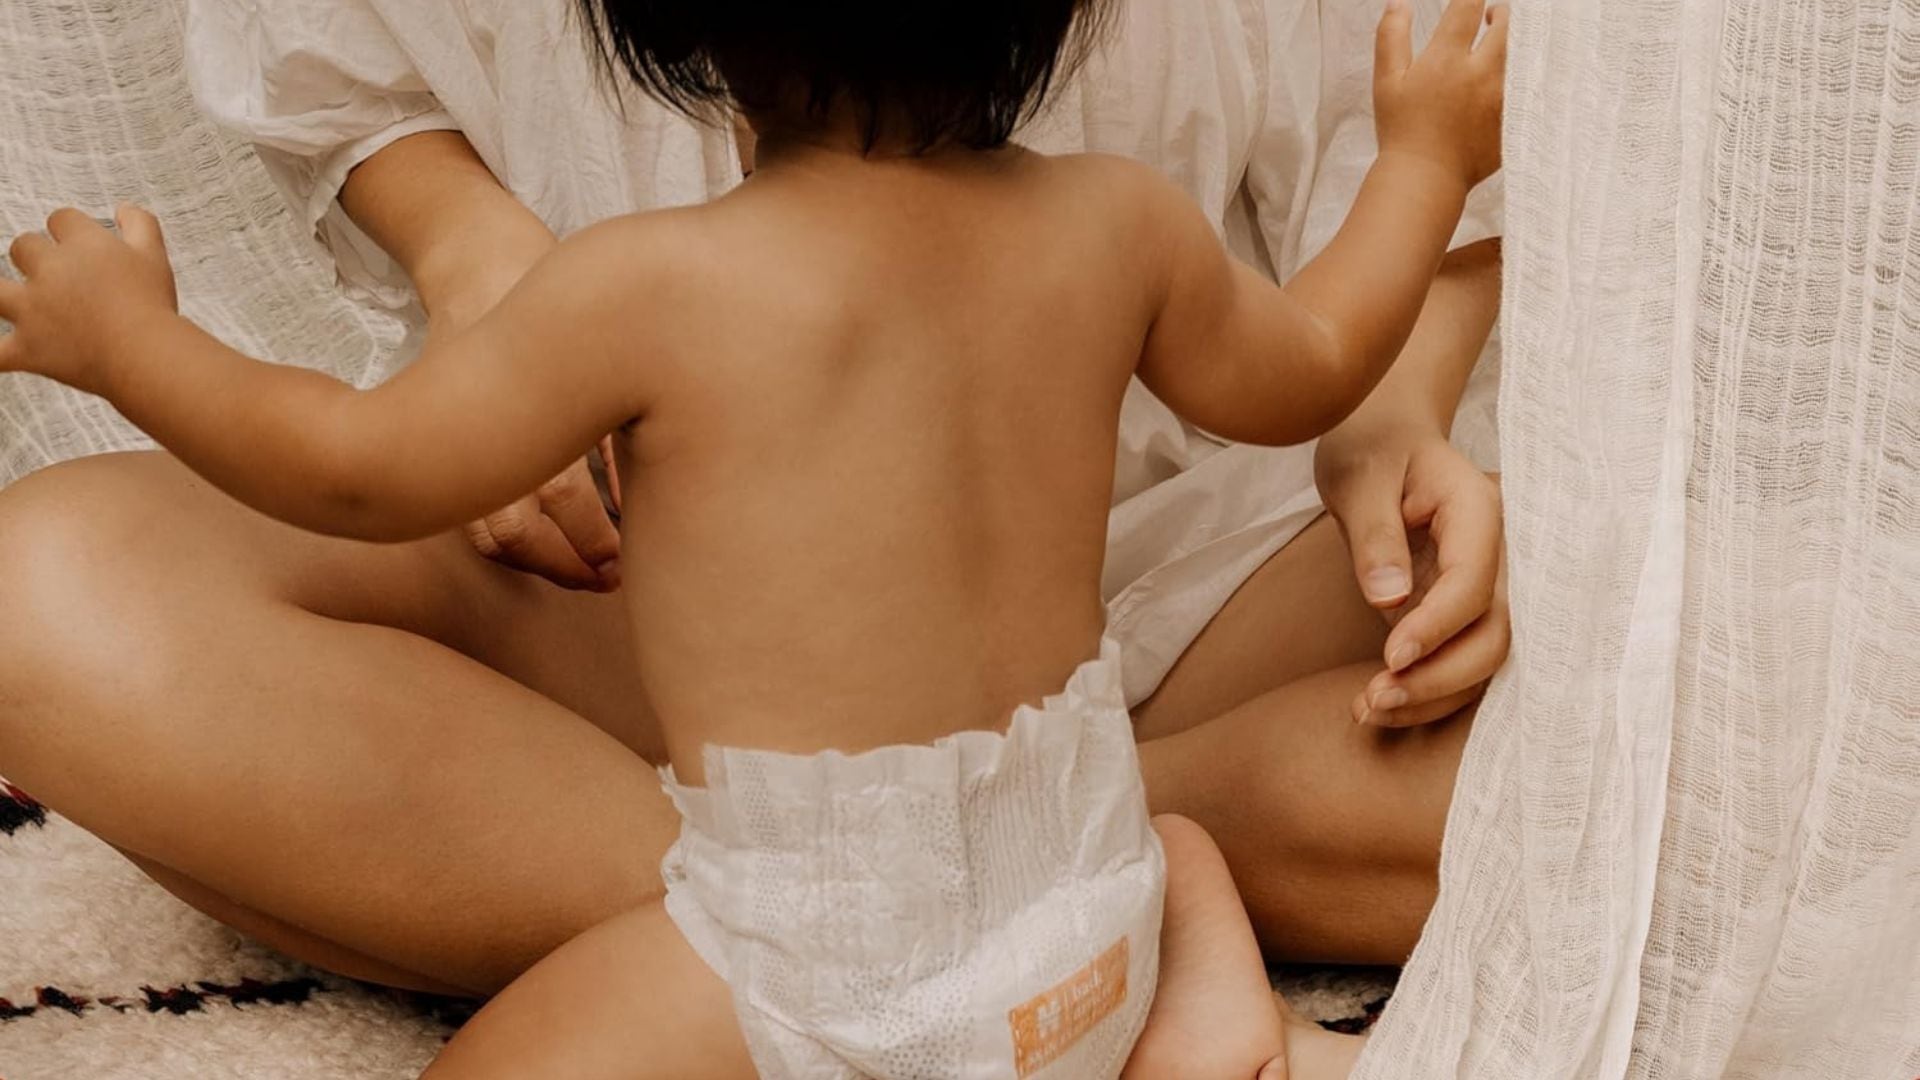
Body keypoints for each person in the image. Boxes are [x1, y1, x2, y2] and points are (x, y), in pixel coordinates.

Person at [0, 0, 1504, 1074]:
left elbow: (347, 470)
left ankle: (1021, 964)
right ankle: (1169, 928)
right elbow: (1312, 358)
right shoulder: (1122, 223)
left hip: (825, 947)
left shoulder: (643, 288)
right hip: (1078, 868)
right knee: (55, 589)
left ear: (671, 44)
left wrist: (131, 344)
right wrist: (1426, 156)